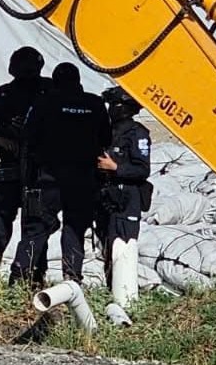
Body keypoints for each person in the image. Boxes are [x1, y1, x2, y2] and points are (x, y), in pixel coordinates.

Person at [11, 62, 111, 285]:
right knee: (75, 229)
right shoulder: (94, 104)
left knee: (36, 230)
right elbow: (106, 139)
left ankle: (20, 279)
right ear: (78, 81)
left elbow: (27, 138)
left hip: (48, 179)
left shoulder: (44, 103)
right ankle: (72, 279)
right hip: (83, 180)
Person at [0, 46, 53, 289]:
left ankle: (27, 281)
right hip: (12, 172)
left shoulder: (49, 92)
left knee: (35, 231)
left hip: (37, 175)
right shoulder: (6, 95)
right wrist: (1, 141)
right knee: (1, 230)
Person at [96, 86, 153, 296]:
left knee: (123, 246)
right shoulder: (106, 132)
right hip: (106, 196)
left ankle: (123, 293)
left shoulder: (137, 134)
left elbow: (143, 169)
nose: (111, 109)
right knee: (106, 244)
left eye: (115, 105)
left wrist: (116, 168)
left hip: (127, 198)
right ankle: (110, 286)